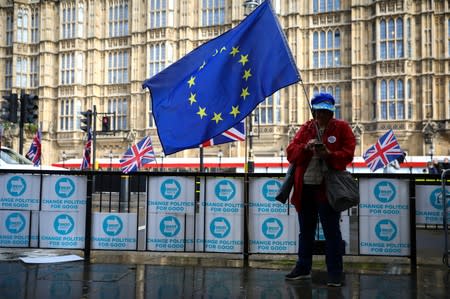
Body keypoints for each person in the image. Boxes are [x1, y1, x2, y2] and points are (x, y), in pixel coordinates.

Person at [285, 92, 356, 287]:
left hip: (328, 190)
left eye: (326, 112)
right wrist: (306, 148)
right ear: (314, 111)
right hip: (305, 188)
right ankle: (303, 267)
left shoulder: (341, 128)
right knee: (305, 232)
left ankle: (334, 272)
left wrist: (328, 154)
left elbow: (348, 154)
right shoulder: (306, 128)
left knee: (332, 232)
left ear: (332, 112)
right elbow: (291, 153)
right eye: (319, 112)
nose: (322, 115)